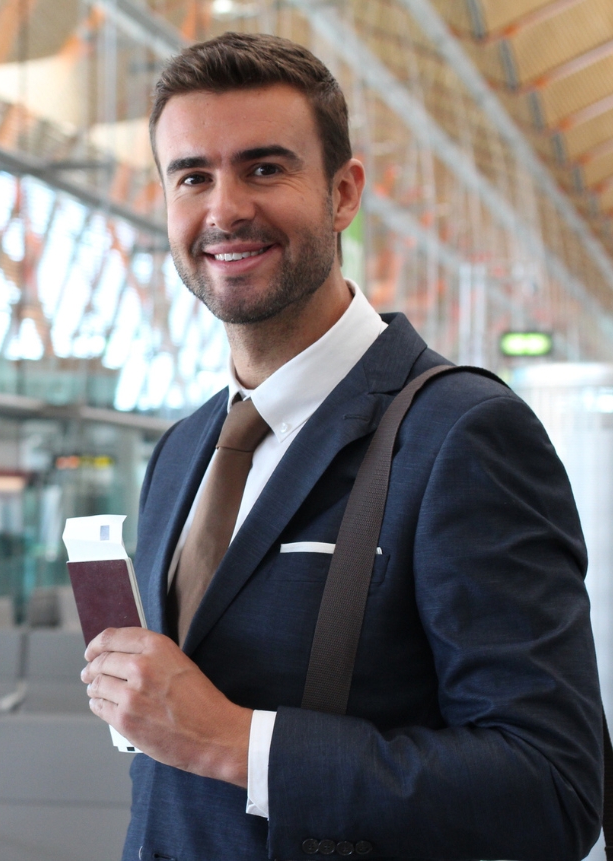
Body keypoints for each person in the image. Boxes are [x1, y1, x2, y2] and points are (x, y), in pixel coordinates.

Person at [80, 32, 603, 861]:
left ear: (343, 192)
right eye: (193, 177)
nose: (224, 210)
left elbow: (553, 786)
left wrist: (238, 743)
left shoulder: (460, 436)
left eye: (264, 168)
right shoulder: (180, 452)